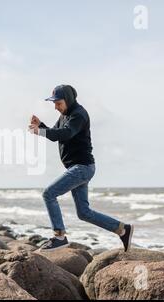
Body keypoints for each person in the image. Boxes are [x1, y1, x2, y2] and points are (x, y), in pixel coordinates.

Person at [29, 84, 133, 252]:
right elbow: (56, 134)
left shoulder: (79, 114)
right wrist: (41, 126)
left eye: (58, 103)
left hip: (82, 167)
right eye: (54, 103)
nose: (56, 107)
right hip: (78, 168)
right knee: (83, 213)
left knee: (49, 194)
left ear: (68, 100)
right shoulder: (65, 114)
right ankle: (122, 229)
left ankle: (59, 237)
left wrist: (39, 132)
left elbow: (67, 133)